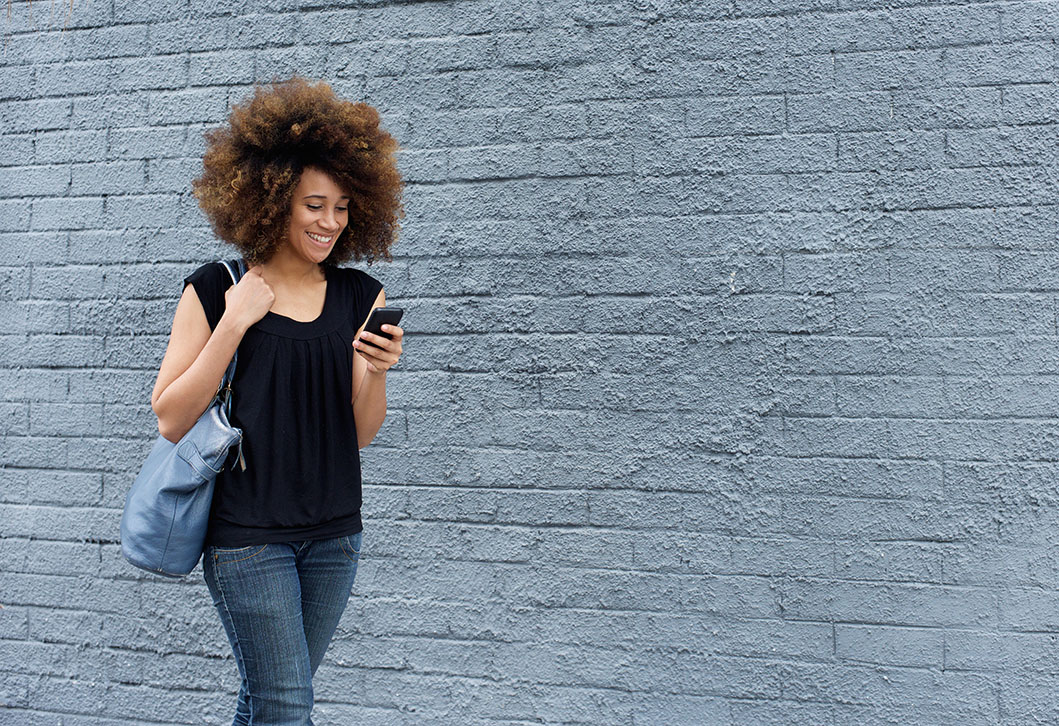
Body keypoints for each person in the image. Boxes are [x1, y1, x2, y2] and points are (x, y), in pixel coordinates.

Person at [148, 76, 405, 725]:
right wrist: (234, 323)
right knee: (287, 707)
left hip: (333, 536)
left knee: (270, 702)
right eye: (314, 204)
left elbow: (361, 434)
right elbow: (171, 416)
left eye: (343, 207)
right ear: (271, 196)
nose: (330, 221)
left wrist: (373, 372)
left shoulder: (358, 296)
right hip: (248, 540)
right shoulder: (216, 287)